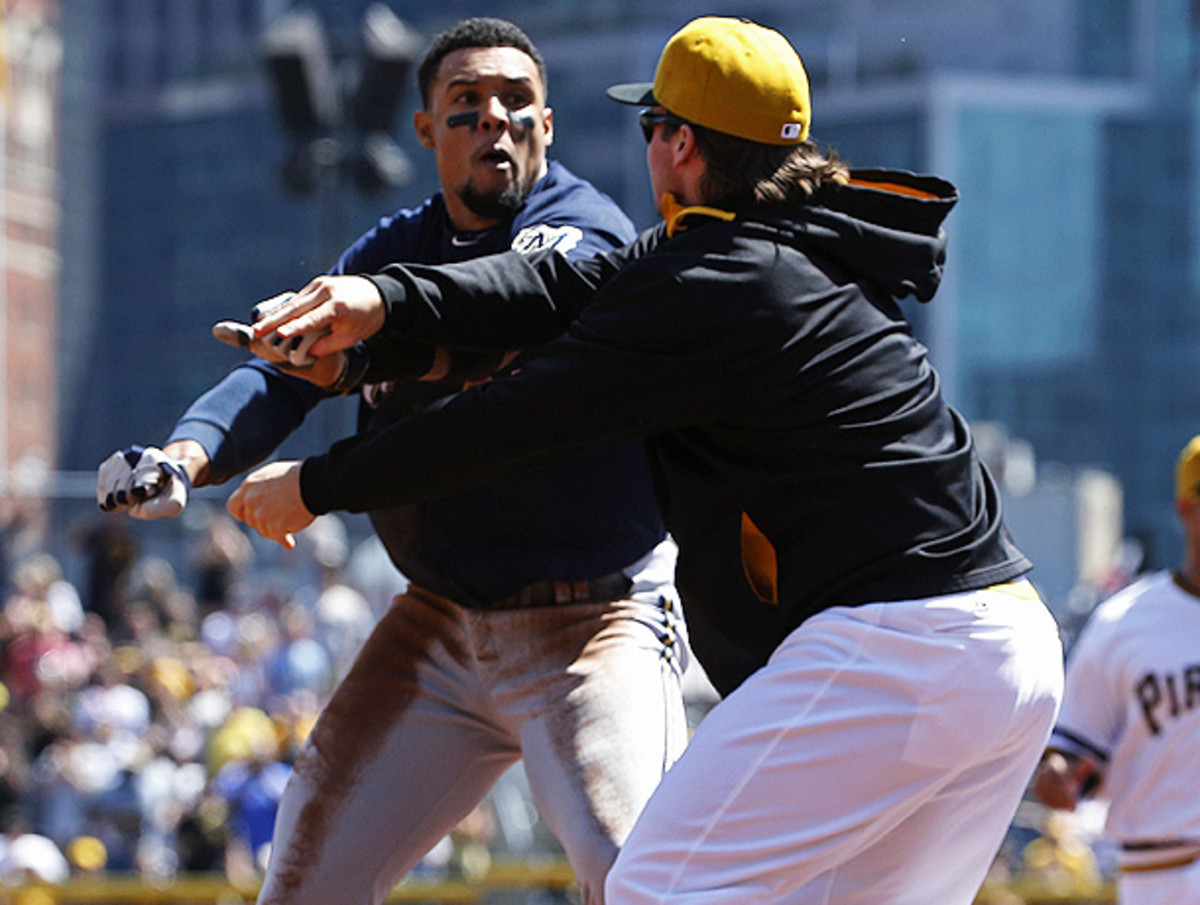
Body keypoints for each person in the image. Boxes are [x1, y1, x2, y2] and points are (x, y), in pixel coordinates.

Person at [226, 16, 1065, 904]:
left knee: (652, 890)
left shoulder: (709, 283)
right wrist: (384, 300)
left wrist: (320, 484)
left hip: (900, 646)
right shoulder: (796, 242)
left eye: (652, 125)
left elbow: (506, 420)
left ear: (680, 145)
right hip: (1011, 649)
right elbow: (556, 285)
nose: (650, 145)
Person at [96, 17, 687, 905]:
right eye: (466, 106)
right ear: (425, 131)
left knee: (644, 881)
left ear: (548, 125)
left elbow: (502, 306)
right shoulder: (391, 248)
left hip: (592, 624)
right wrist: (185, 456)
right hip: (439, 622)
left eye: (516, 101)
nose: (495, 119)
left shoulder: (584, 233)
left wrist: (376, 312)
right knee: (301, 885)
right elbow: (283, 375)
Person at [1032, 434, 1200, 905]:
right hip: (1159, 873)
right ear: (1185, 507)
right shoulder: (1125, 622)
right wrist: (1056, 775)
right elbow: (1067, 751)